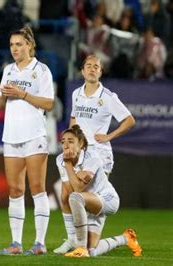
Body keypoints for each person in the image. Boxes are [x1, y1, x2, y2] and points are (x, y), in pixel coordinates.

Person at [54, 54, 135, 254]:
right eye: (88, 66)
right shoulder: (76, 94)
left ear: (101, 72)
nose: (92, 69)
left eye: (96, 67)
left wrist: (109, 136)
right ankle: (74, 240)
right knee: (66, 194)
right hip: (79, 154)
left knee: (90, 198)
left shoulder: (108, 97)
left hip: (99, 154)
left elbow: (129, 120)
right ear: (82, 71)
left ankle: (94, 243)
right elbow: (73, 118)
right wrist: (71, 144)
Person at [0, 26, 54, 255]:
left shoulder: (41, 70)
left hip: (34, 135)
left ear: (30, 45)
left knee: (38, 188)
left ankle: (40, 243)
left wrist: (22, 94)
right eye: (12, 45)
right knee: (14, 189)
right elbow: (1, 104)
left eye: (19, 44)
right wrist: (4, 96)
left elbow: (49, 104)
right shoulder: (8, 70)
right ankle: (16, 243)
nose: (15, 49)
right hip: (11, 135)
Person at [57, 125, 142, 258]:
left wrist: (68, 165)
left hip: (107, 199)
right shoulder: (59, 159)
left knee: (75, 197)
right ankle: (126, 238)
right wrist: (77, 175)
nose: (66, 145)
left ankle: (80, 248)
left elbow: (78, 189)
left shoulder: (92, 157)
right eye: (63, 142)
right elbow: (69, 189)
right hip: (88, 203)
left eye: (71, 141)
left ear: (81, 144)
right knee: (93, 252)